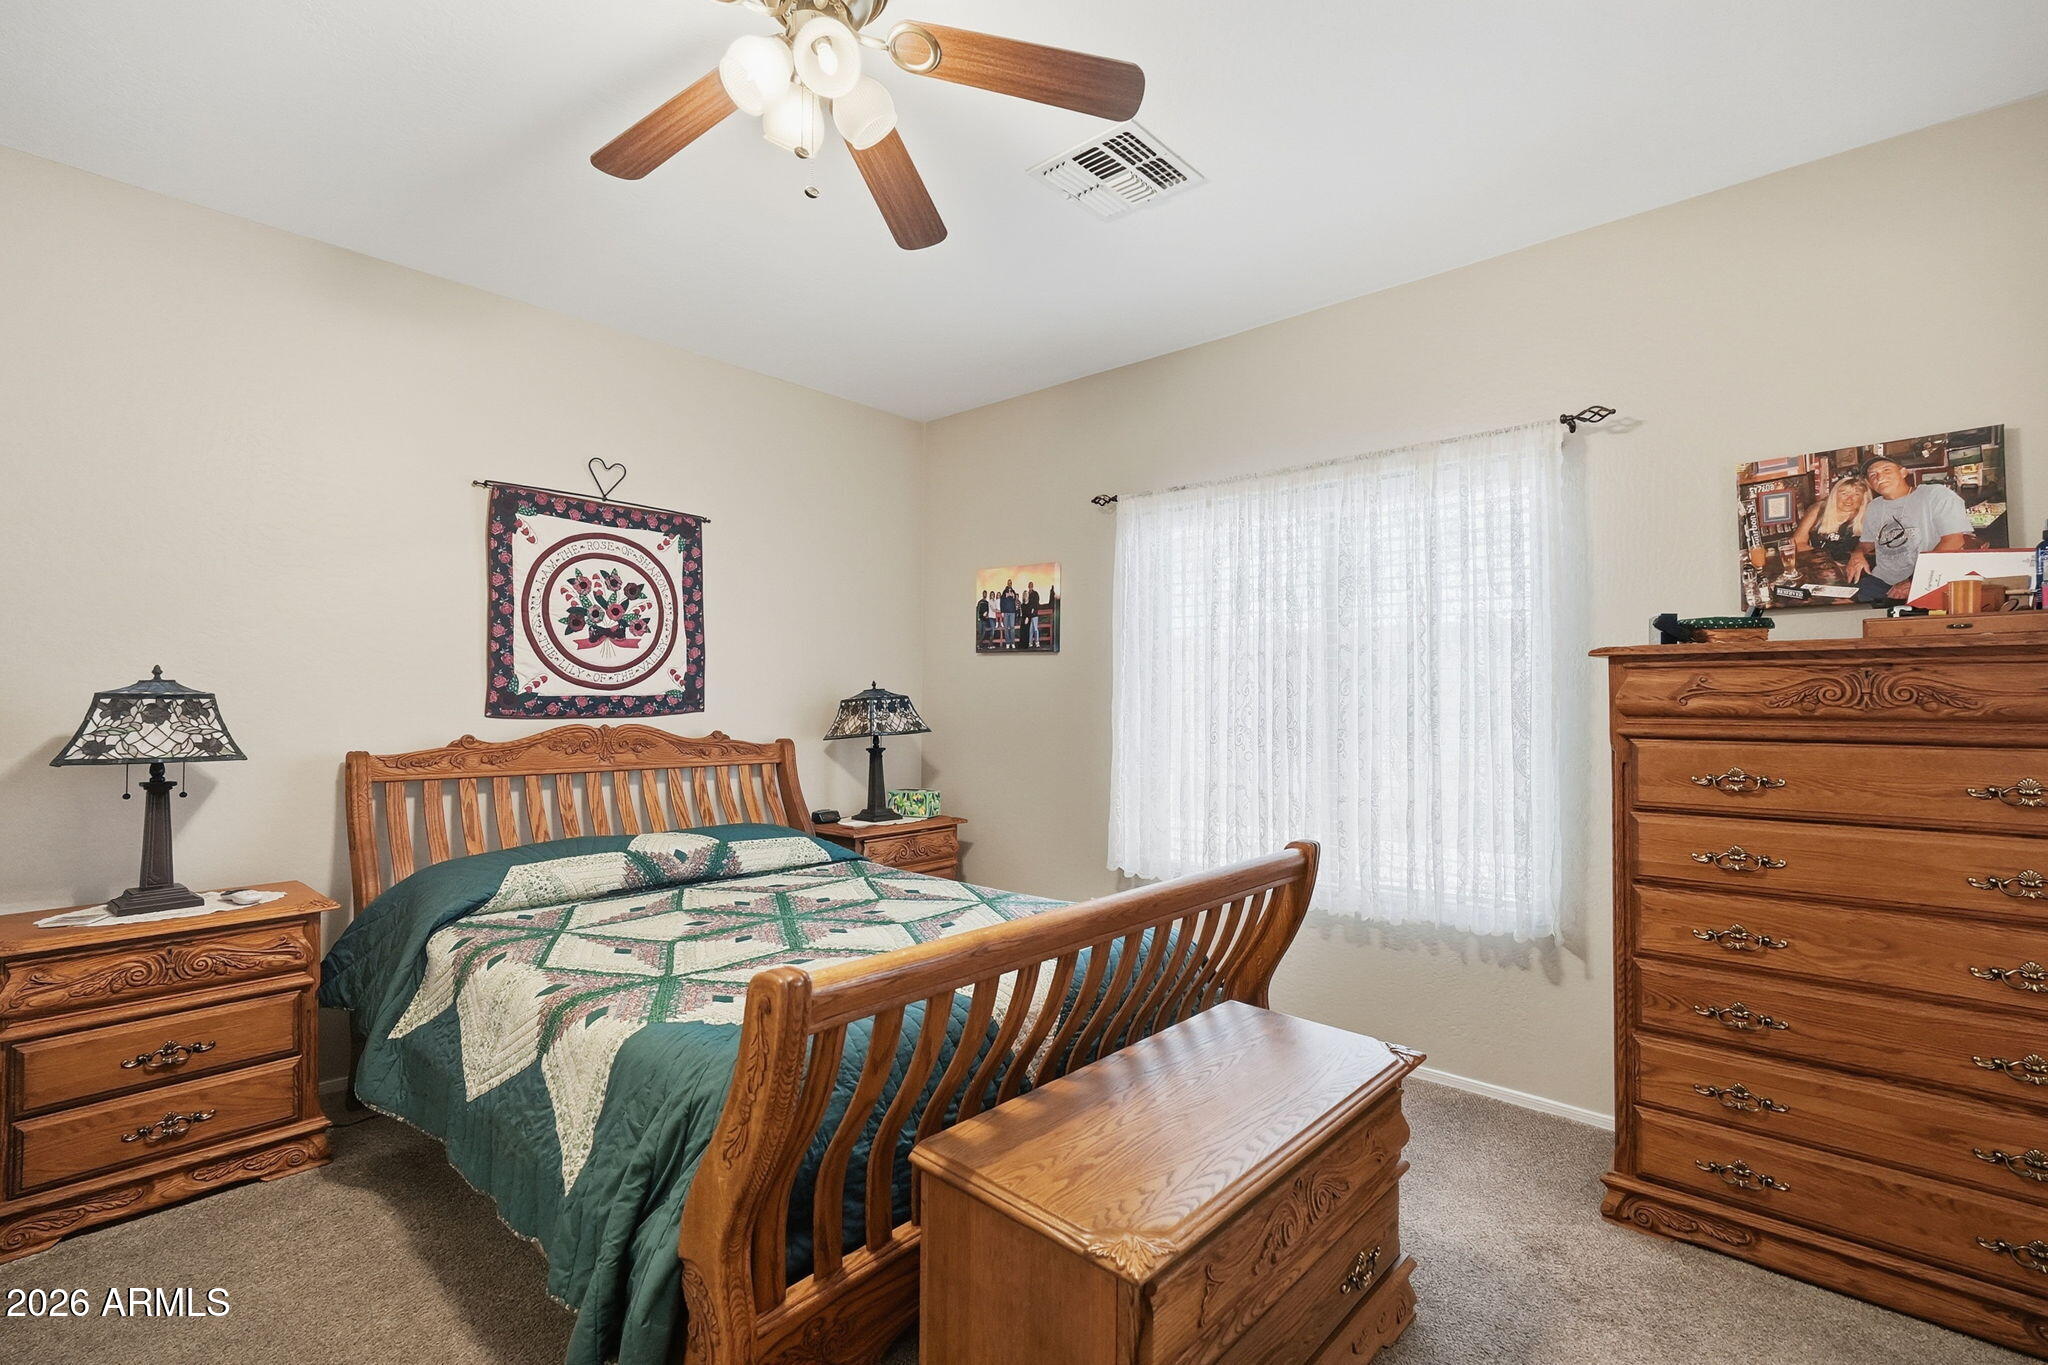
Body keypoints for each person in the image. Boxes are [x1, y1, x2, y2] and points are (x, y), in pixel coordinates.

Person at [1845, 455, 1973, 603]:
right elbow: (1867, 542)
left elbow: (1954, 541)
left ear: (1903, 472)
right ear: (1869, 483)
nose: (1879, 476)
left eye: (1887, 470)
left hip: (1930, 580)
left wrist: (1914, 580)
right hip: (1882, 580)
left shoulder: (1936, 495)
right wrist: (1857, 553)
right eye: (1873, 474)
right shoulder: (1874, 506)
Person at [1791, 473, 1869, 573]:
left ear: (1862, 499)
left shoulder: (1868, 515)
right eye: (1844, 493)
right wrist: (1827, 563)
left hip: (1852, 569)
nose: (1849, 499)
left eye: (1856, 494)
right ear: (1834, 495)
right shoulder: (1818, 509)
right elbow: (1797, 542)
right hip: (1819, 566)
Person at [999, 580, 1019, 648]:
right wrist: (1002, 611)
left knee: (1012, 628)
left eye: (1011, 583)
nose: (1010, 584)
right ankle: (1007, 642)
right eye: (1009, 583)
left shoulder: (1013, 591)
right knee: (1006, 628)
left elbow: (1016, 601)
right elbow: (1001, 602)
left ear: (1011, 584)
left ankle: (1012, 642)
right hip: (1006, 612)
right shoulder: (1004, 592)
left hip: (1012, 612)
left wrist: (1013, 596)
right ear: (1007, 583)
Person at [1023, 581, 1042, 649]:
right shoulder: (1027, 594)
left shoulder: (1035, 593)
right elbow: (1026, 603)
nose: (1030, 586)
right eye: (1029, 585)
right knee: (1030, 629)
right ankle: (1030, 643)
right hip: (1029, 615)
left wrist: (1033, 609)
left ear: (1033, 586)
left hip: (1034, 614)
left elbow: (1037, 603)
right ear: (1028, 586)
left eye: (1031, 585)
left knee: (1035, 629)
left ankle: (1037, 642)